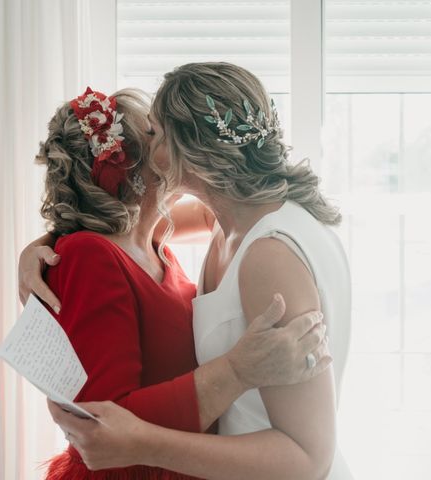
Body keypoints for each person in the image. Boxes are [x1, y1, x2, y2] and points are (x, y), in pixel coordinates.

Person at [28, 85, 333, 480]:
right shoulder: (90, 255)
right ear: (131, 169)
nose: (168, 145)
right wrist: (237, 371)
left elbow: (226, 210)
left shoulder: (155, 242)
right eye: (153, 133)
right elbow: (100, 426)